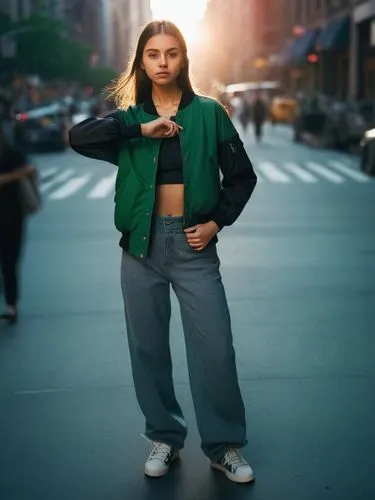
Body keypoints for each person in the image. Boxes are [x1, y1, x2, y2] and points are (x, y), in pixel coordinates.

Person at [69, 20, 257, 484]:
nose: (163, 62)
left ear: (184, 58)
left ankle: (222, 446)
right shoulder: (130, 119)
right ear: (141, 61)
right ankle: (164, 437)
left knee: (216, 350)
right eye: (153, 54)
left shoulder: (210, 113)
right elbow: (79, 136)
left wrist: (215, 223)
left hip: (194, 246)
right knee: (147, 348)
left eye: (171, 53)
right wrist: (137, 130)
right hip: (141, 247)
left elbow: (242, 177)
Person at [0, 127, 34, 325]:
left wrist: (6, 178)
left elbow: (29, 169)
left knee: (10, 262)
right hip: (12, 216)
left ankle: (11, 305)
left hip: (11, 216)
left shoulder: (9, 152)